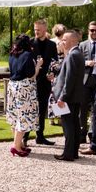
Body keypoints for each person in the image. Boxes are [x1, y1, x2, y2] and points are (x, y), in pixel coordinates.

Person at [7, 34, 42, 157]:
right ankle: (16, 146)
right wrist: (38, 65)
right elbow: (31, 75)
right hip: (24, 88)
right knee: (24, 116)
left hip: (12, 86)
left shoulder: (12, 55)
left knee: (15, 115)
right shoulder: (27, 55)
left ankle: (20, 143)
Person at [24, 19, 58, 147]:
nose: (36, 32)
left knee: (42, 109)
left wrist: (53, 73)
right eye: (35, 30)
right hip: (31, 82)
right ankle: (25, 137)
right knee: (29, 109)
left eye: (38, 30)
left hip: (45, 82)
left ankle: (40, 136)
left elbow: (55, 62)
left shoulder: (52, 45)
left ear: (45, 30)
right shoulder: (30, 44)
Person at [52, 31, 84, 161]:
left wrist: (62, 97)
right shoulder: (77, 54)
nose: (61, 42)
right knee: (74, 124)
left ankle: (68, 153)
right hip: (75, 96)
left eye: (64, 40)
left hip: (69, 97)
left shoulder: (72, 55)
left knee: (68, 126)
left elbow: (69, 79)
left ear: (71, 41)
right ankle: (73, 152)